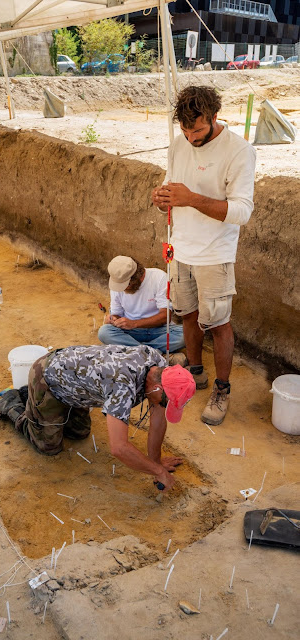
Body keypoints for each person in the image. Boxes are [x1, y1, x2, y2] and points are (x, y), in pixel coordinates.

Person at [152, 85, 256, 426]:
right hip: (181, 248)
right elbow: (173, 184)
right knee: (187, 315)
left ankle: (222, 389)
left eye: (196, 129)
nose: (190, 136)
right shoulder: (178, 143)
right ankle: (195, 373)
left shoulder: (238, 151)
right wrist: (163, 195)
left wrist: (192, 198)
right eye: (184, 129)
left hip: (215, 253)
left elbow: (242, 211)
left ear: (214, 117)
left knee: (219, 324)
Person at [0, 345, 195, 493]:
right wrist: (158, 471)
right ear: (158, 388)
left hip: (77, 387)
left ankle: (39, 405)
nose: (164, 406)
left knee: (80, 433)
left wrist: (156, 460)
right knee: (48, 446)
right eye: (166, 402)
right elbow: (119, 448)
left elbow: (158, 418)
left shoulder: (159, 367)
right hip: (47, 377)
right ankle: (14, 403)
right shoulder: (122, 385)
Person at [97, 255, 185, 354]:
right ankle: (152, 353)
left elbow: (165, 316)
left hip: (159, 329)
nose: (123, 289)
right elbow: (117, 314)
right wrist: (112, 319)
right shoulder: (117, 284)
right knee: (104, 332)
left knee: (186, 335)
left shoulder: (159, 278)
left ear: (137, 277)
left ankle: (137, 351)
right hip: (131, 331)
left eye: (126, 285)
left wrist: (134, 323)